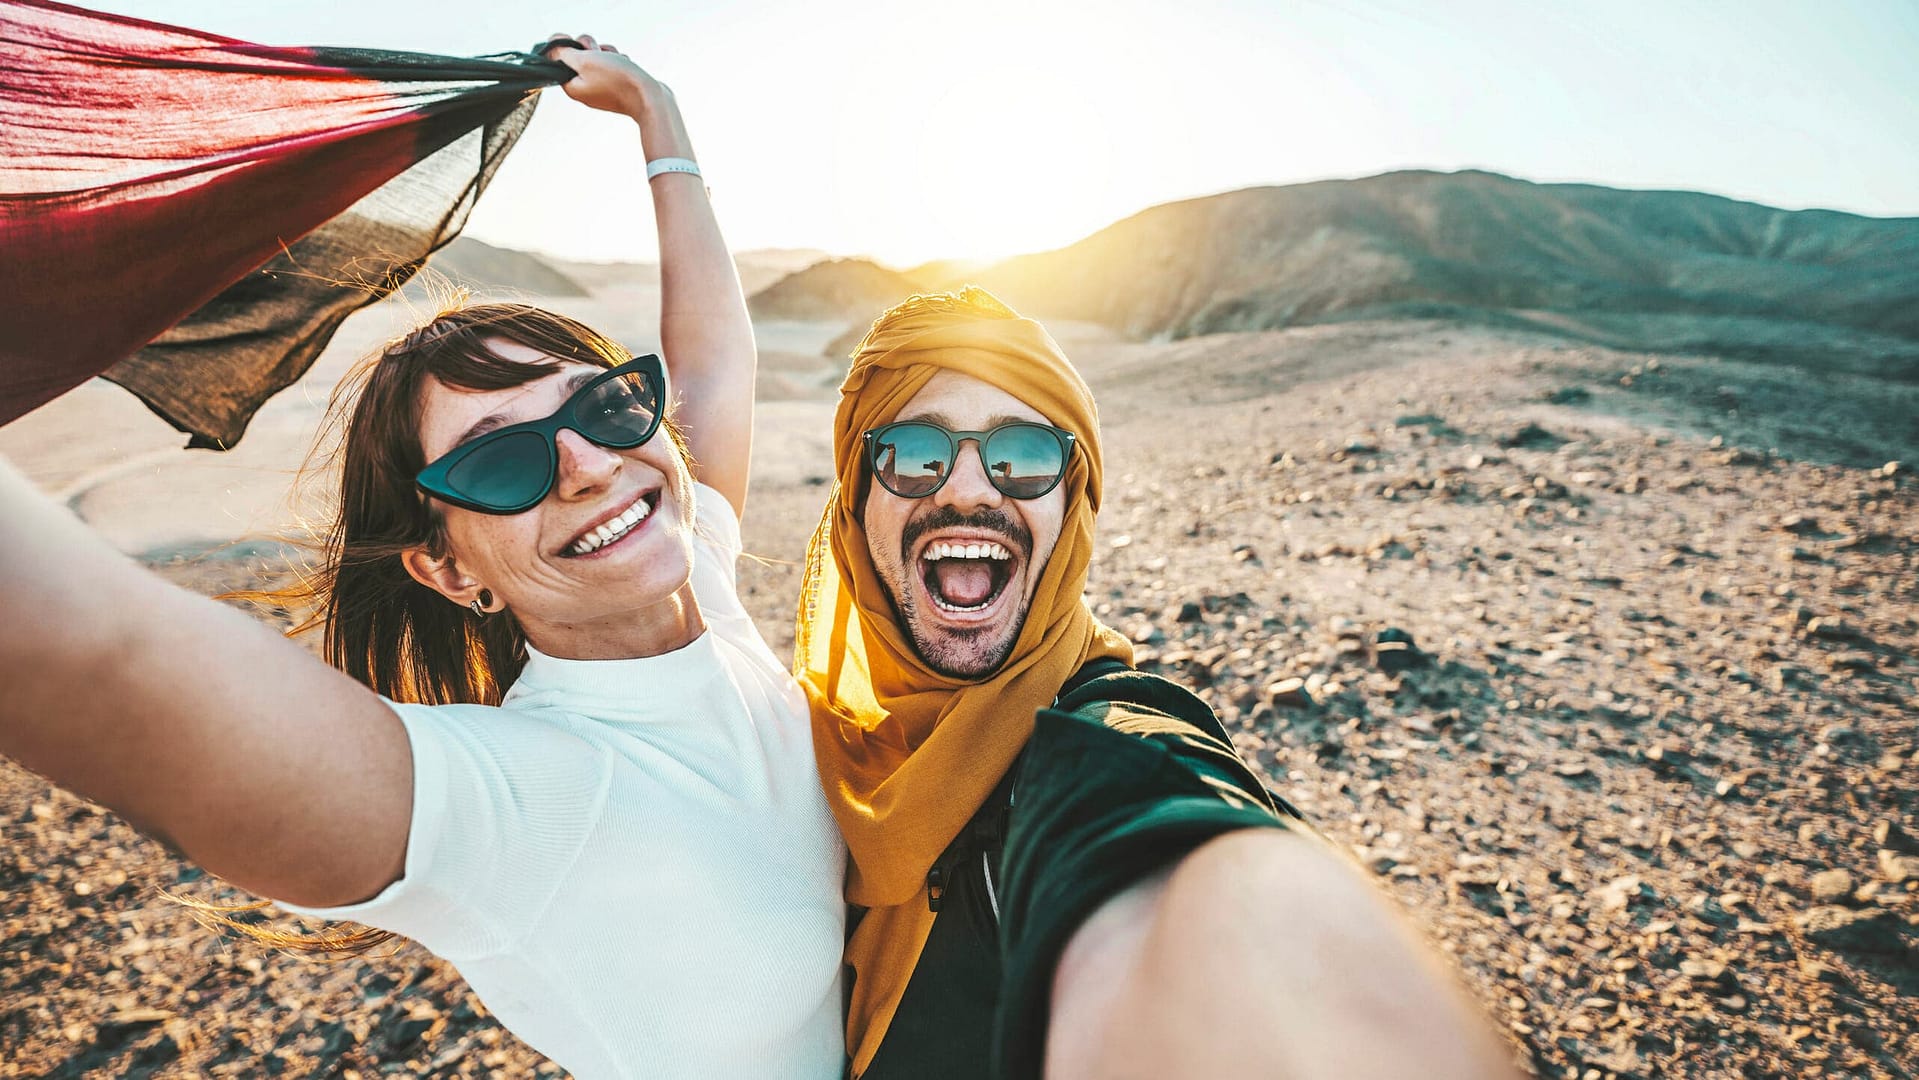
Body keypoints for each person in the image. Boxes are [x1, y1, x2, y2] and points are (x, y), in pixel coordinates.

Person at [0, 38, 846, 1079]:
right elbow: (106, 656)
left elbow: (714, 359)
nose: (586, 464)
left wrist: (656, 115)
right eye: (499, 463)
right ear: (449, 572)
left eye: (601, 401)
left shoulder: (698, 579)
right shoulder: (519, 803)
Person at [795, 288, 1522, 1079]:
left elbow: (1174, 853)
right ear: (855, 500)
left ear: (1072, 501)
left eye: (1025, 455)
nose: (967, 490)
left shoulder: (1100, 737)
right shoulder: (807, 747)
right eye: (912, 453)